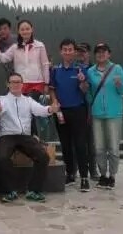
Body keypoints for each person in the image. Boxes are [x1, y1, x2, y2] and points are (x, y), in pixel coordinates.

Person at [0, 72, 59, 203]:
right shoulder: (2, 100)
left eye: (18, 82)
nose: (15, 84)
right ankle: (8, 191)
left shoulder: (28, 101)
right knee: (2, 158)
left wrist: (50, 109)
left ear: (22, 84)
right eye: (13, 82)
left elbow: (40, 110)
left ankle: (34, 190)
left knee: (43, 157)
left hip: (25, 136)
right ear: (8, 84)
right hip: (7, 135)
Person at [82, 43, 123, 190]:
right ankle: (103, 175)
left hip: (114, 113)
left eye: (104, 52)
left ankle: (112, 175)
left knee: (113, 147)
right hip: (97, 114)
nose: (101, 54)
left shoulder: (117, 69)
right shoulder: (90, 71)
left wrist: (119, 84)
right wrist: (85, 90)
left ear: (109, 54)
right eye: (98, 52)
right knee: (99, 148)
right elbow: (90, 96)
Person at [0, 19, 50, 136]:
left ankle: (33, 136)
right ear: (19, 31)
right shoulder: (15, 47)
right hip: (20, 84)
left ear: (32, 29)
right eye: (22, 29)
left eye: (27, 29)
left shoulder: (40, 45)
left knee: (30, 108)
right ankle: (25, 135)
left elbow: (45, 64)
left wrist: (46, 83)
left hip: (36, 83)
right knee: (22, 110)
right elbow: (3, 59)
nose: (25, 31)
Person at [49, 39, 90, 192]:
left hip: (78, 110)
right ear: (61, 52)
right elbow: (52, 89)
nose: (67, 52)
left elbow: (86, 90)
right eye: (65, 49)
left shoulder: (81, 69)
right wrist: (54, 102)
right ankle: (70, 173)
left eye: (70, 49)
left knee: (80, 144)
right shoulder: (55, 70)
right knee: (65, 144)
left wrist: (82, 81)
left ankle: (84, 177)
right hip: (61, 111)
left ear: (74, 52)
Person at [76, 42, 99, 181]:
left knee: (91, 142)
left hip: (90, 107)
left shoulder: (94, 69)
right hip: (75, 107)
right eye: (78, 51)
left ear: (88, 53)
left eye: (83, 51)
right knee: (76, 141)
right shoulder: (73, 68)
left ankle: (93, 170)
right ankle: (74, 170)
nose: (81, 54)